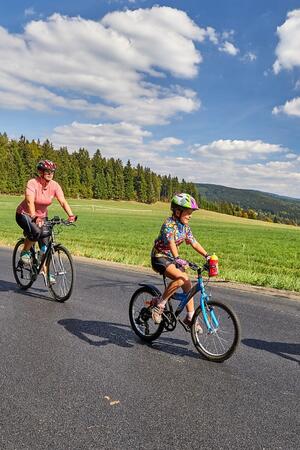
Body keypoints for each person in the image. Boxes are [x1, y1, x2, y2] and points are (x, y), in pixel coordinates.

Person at [151, 193, 210, 329]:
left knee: (187, 282)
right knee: (181, 277)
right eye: (188, 213)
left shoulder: (185, 227)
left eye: (191, 213)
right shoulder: (169, 224)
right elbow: (171, 242)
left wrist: (207, 256)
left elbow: (194, 243)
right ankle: (159, 306)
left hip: (171, 258)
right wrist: (177, 258)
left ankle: (190, 317)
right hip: (159, 257)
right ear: (178, 211)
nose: (190, 216)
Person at [16, 160, 76, 277]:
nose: (50, 174)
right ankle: (25, 252)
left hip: (42, 217)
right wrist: (34, 216)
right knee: (36, 232)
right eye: (47, 171)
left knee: (45, 245)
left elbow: (62, 201)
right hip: (25, 214)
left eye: (52, 172)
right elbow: (29, 201)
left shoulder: (55, 185)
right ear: (40, 172)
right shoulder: (33, 183)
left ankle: (45, 271)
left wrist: (71, 215)